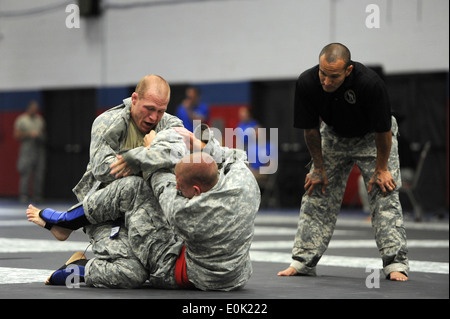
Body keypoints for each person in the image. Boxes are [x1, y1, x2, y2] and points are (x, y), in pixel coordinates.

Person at [27, 126, 261, 291]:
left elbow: (160, 183)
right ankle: (68, 222)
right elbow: (235, 157)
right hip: (235, 277)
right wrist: (199, 145)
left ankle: (74, 255)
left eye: (182, 186)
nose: (178, 188)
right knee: (131, 268)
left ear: (198, 192)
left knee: (135, 188)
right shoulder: (245, 181)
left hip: (180, 271)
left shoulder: (188, 214)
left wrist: (151, 151)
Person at [277, 43, 409, 281]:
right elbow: (310, 130)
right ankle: (303, 261)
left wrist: (381, 169)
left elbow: (383, 130)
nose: (326, 82)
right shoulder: (307, 82)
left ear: (348, 70)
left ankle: (395, 263)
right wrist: (318, 168)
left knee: (384, 190)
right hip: (334, 135)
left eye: (334, 77)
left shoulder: (370, 84)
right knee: (316, 190)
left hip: (372, 137)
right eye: (322, 74)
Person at [14, 100, 46, 203]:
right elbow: (16, 135)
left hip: (38, 149)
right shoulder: (22, 120)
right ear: (29, 108)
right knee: (25, 173)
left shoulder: (39, 120)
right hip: (27, 149)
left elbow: (43, 132)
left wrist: (39, 136)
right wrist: (29, 134)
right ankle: (24, 195)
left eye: (36, 109)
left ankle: (37, 195)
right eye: (33, 109)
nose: (34, 110)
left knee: (39, 174)